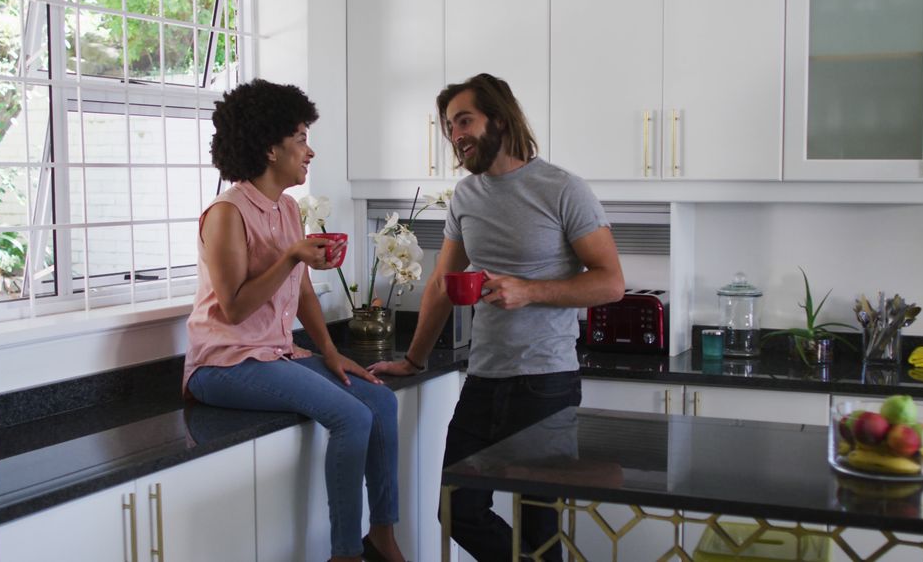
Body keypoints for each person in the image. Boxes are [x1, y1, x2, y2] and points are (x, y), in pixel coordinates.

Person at [368, 73, 625, 561]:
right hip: (484, 379)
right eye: (448, 127)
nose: (455, 135)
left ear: (500, 120)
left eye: (464, 120)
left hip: (546, 382)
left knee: (539, 523)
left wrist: (529, 291)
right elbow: (443, 286)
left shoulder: (563, 188)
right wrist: (415, 359)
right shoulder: (465, 197)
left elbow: (610, 282)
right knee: (457, 508)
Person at [183, 79, 406, 562]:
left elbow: (301, 289)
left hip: (275, 354)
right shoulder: (226, 213)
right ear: (270, 148)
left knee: (380, 401)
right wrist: (290, 258)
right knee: (351, 416)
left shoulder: (285, 207)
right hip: (223, 365)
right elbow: (235, 307)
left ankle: (383, 534)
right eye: (301, 138)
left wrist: (329, 351)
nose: (310, 151)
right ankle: (345, 552)